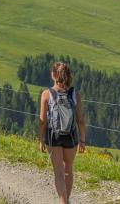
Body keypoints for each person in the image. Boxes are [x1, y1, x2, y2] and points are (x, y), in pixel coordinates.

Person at [38, 61, 86, 204]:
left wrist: (41, 139)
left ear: (53, 75)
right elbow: (80, 120)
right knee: (68, 169)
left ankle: (63, 200)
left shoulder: (47, 94)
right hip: (71, 136)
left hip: (53, 136)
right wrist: (82, 140)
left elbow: (42, 121)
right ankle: (67, 200)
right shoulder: (75, 94)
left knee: (58, 171)